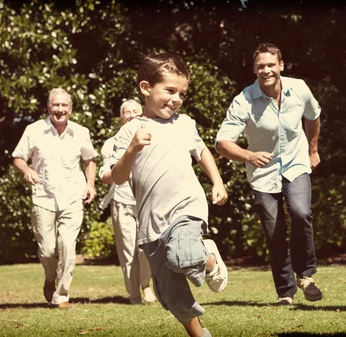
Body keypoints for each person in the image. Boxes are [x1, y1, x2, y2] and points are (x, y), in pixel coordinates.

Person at [111, 53, 229, 337]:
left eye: (182, 94)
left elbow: (201, 151)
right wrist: (132, 149)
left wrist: (218, 181)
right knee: (172, 295)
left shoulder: (185, 123)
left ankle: (208, 256)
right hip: (152, 224)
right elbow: (117, 176)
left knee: (184, 254)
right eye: (170, 91)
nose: (176, 99)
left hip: (186, 209)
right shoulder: (130, 131)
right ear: (145, 88)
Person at [215, 42, 323, 305]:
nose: (266, 70)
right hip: (263, 174)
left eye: (271, 65)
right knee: (274, 232)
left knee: (301, 212)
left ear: (281, 65)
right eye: (260, 66)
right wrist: (249, 155)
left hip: (296, 162)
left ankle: (306, 275)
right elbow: (221, 143)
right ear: (254, 69)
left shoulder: (299, 88)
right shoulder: (244, 100)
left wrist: (313, 149)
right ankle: (285, 292)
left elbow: (314, 115)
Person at [12, 88, 98, 309]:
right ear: (49, 107)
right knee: (48, 250)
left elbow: (90, 160)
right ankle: (50, 278)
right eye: (55, 105)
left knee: (68, 245)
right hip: (43, 197)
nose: (60, 109)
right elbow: (18, 157)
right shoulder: (34, 130)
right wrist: (27, 170)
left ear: (70, 109)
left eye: (64, 106)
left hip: (72, 195)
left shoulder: (81, 132)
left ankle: (61, 295)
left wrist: (90, 184)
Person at [98, 99, 156, 304]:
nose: (131, 115)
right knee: (127, 250)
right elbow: (105, 173)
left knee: (146, 249)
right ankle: (133, 294)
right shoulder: (111, 143)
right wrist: (112, 174)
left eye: (135, 111)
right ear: (121, 117)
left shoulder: (152, 137)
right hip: (122, 200)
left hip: (146, 200)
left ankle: (146, 285)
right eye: (127, 112)